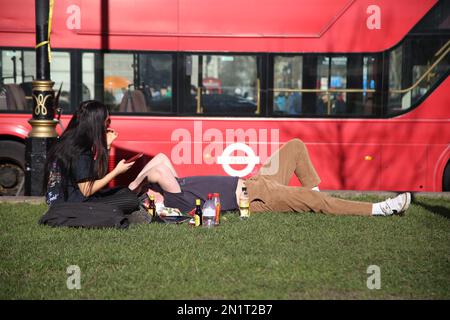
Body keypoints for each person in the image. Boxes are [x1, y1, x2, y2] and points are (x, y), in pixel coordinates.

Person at [129, 139, 411, 217]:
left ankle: (315, 194)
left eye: (148, 194)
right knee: (317, 202)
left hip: (257, 180)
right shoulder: (176, 198)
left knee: (296, 146)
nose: (150, 195)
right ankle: (381, 209)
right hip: (257, 197)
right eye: (148, 199)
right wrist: (135, 189)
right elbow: (156, 169)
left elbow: (161, 160)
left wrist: (134, 187)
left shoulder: (176, 184)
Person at [45, 100, 140, 215]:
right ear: (97, 123)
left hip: (65, 201)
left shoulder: (70, 139)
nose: (109, 125)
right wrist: (116, 172)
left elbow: (95, 176)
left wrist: (107, 146)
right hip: (73, 205)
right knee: (131, 200)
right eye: (107, 121)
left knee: (124, 191)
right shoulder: (80, 150)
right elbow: (87, 190)